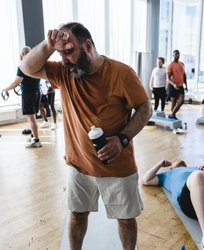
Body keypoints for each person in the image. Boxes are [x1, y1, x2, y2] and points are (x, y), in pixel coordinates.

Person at [20, 22, 152, 250]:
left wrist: (122, 139)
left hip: (117, 166)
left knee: (126, 219)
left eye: (69, 52)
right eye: (60, 53)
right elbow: (27, 68)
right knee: (77, 216)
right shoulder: (64, 72)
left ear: (88, 45)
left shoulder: (121, 74)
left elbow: (144, 108)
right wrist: (48, 44)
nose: (63, 60)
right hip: (78, 165)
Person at [3, 46, 42, 148]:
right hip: (37, 93)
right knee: (33, 117)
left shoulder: (22, 66)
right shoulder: (37, 64)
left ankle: (36, 141)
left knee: (31, 118)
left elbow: (16, 83)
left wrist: (6, 89)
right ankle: (33, 136)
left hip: (29, 95)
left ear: (22, 55)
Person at [166, 50, 187, 120]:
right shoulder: (170, 65)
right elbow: (168, 78)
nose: (177, 55)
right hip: (172, 86)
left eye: (178, 54)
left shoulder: (182, 64)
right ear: (173, 55)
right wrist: (174, 85)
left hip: (180, 85)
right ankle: (173, 116)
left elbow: (184, 75)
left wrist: (186, 85)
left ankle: (172, 114)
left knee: (181, 101)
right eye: (175, 54)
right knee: (173, 103)